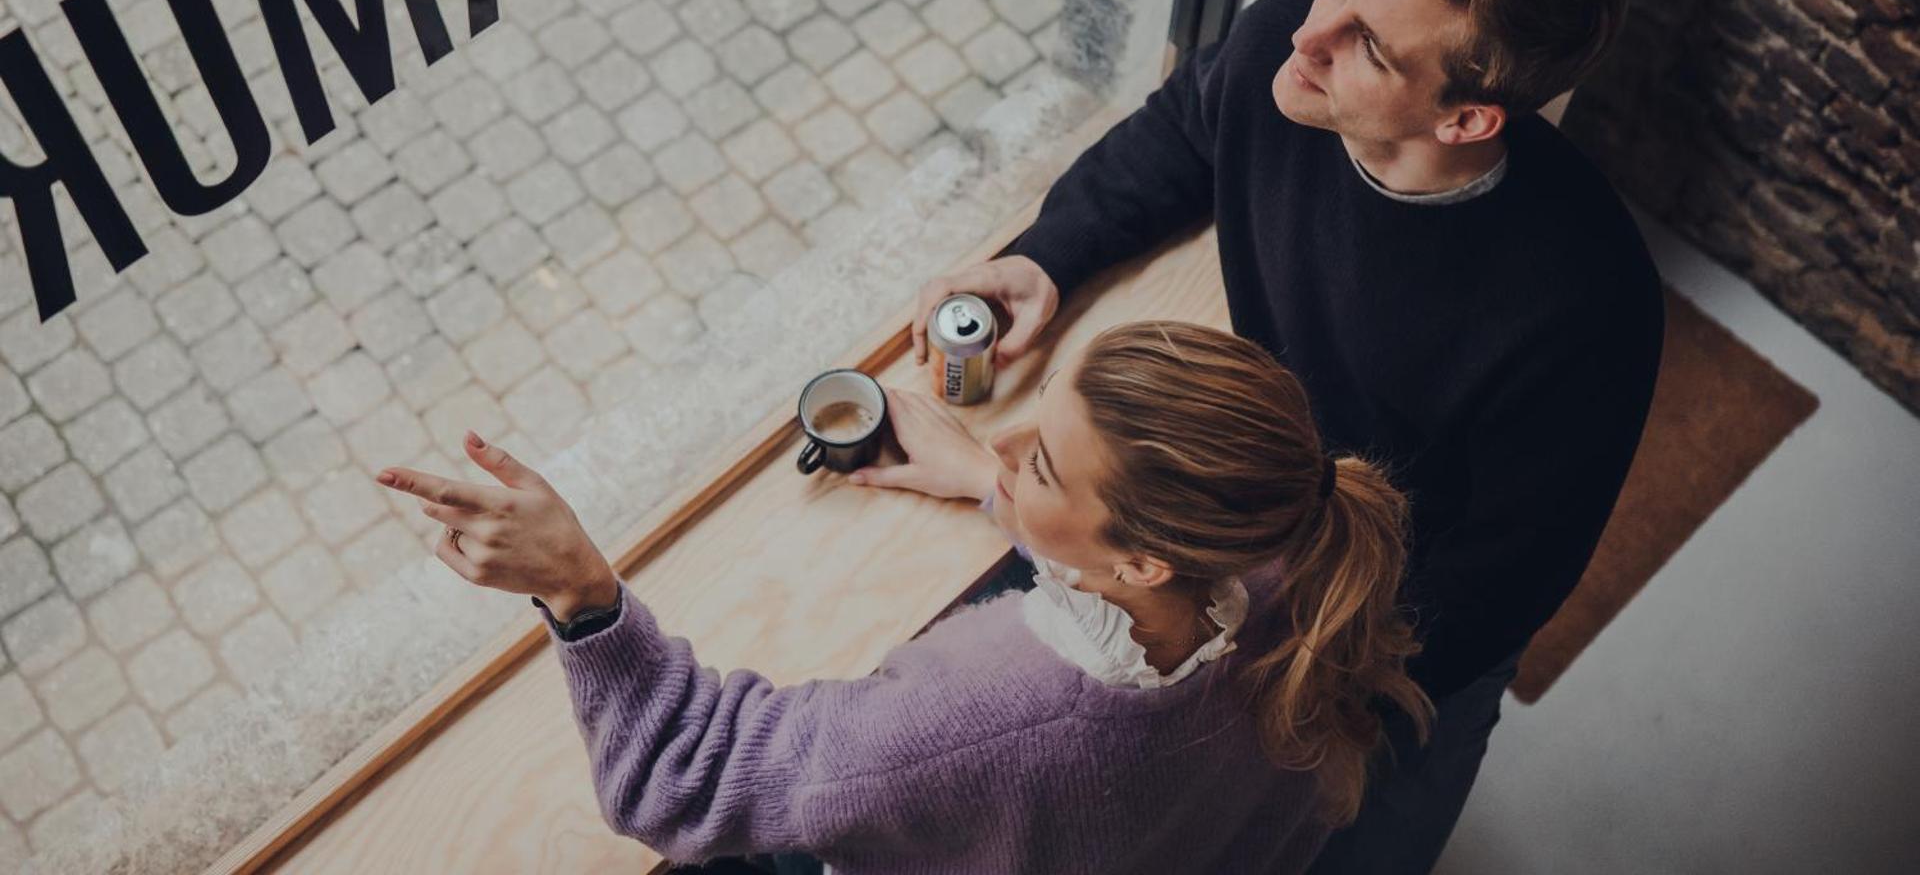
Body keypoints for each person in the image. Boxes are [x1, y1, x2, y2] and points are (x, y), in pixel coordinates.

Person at [907, 0, 1667, 872]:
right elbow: (1185, 127)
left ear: (1469, 119)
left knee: (1347, 845)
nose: (1314, 33)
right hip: (1255, 514)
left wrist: (1299, 686)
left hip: (1401, 629)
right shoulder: (1288, 47)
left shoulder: (1587, 302)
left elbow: (1505, 579)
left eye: (1372, 47)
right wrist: (1048, 255)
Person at [374, 322, 1431, 874]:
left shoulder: (977, 717)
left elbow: (675, 783)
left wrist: (579, 589)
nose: (1006, 444)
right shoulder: (1297, 567)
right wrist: (996, 486)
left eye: (1047, 466)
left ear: (1147, 556)